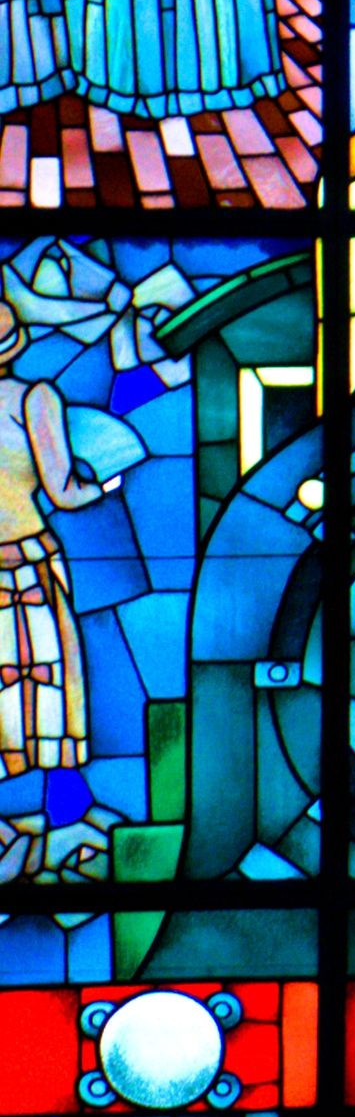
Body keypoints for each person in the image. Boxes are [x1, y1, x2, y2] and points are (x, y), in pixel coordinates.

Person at [0, 312, 108, 772]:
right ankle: (44, 778)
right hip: (29, 557)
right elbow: (64, 492)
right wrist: (104, 485)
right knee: (42, 667)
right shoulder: (34, 400)